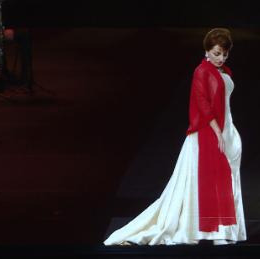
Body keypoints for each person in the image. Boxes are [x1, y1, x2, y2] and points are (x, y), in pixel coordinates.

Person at [103, 28, 246, 245]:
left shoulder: (224, 72)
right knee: (202, 182)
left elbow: (224, 103)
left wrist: (228, 132)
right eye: (216, 53)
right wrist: (217, 131)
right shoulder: (201, 71)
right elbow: (202, 103)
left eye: (224, 54)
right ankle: (205, 229)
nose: (221, 58)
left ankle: (222, 229)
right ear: (207, 50)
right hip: (207, 132)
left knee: (223, 181)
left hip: (226, 129)